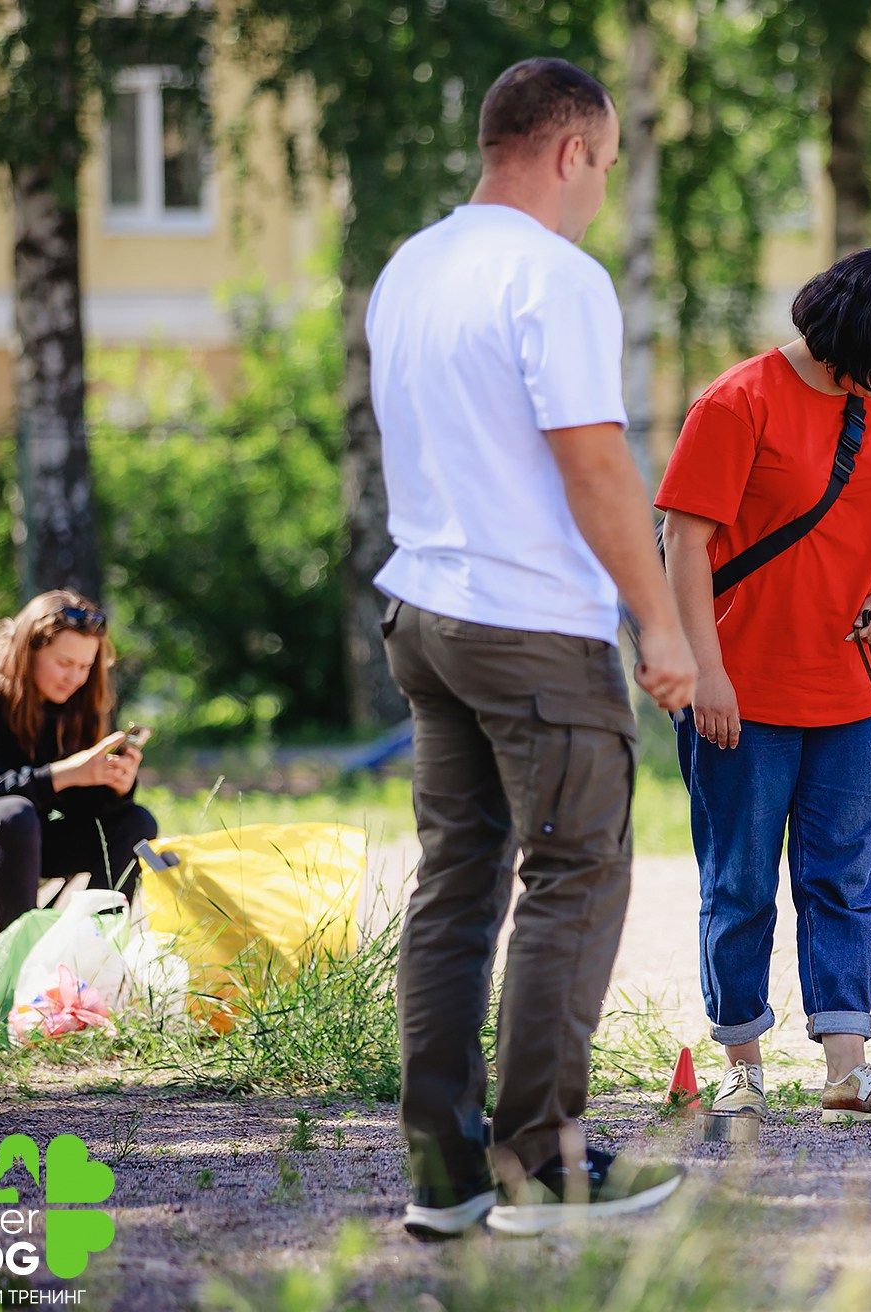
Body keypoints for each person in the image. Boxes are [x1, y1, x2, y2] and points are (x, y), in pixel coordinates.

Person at [368, 56, 697, 1241]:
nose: (602, 189)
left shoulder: (412, 265)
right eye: (604, 165)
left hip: (425, 612)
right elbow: (593, 460)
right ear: (569, 151)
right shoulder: (554, 276)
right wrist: (659, 620)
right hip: (530, 627)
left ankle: (444, 1170)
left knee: (454, 886)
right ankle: (543, 1164)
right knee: (573, 876)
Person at [657, 248, 871, 1127]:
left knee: (847, 880)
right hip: (739, 690)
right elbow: (683, 539)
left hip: (851, 692)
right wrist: (706, 672)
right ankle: (741, 1064)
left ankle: (847, 1071)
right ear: (856, 330)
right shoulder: (737, 402)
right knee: (738, 881)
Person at [0, 591, 157, 925]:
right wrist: (62, 774)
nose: (75, 678)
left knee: (136, 823)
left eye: (85, 666)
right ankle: (22, 966)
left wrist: (113, 785)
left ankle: (94, 949)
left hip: (21, 843)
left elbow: (77, 805)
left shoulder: (70, 703)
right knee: (14, 814)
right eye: (64, 663)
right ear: (29, 652)